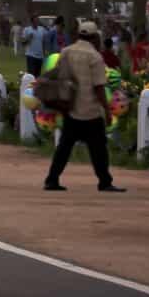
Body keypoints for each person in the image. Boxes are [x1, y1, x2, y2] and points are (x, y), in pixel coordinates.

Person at [43, 21, 125, 193]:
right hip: (90, 111)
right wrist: (108, 110)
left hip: (70, 109)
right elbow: (99, 87)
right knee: (99, 150)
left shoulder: (66, 52)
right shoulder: (95, 57)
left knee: (64, 147)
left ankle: (52, 179)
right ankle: (104, 181)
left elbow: (59, 77)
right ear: (95, 37)